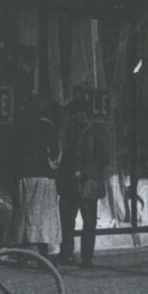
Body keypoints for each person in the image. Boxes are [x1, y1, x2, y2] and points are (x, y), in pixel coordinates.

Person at [57, 102, 107, 268]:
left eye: (75, 114)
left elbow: (102, 158)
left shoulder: (96, 131)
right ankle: (66, 254)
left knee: (88, 222)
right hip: (70, 182)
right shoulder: (72, 131)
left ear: (83, 114)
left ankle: (86, 258)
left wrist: (84, 172)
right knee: (66, 219)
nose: (72, 118)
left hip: (87, 184)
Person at [15, 98, 63, 259]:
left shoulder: (22, 126)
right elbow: (55, 151)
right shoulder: (48, 127)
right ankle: (45, 251)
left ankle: (25, 249)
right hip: (43, 176)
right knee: (45, 215)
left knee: (27, 213)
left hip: (25, 175)